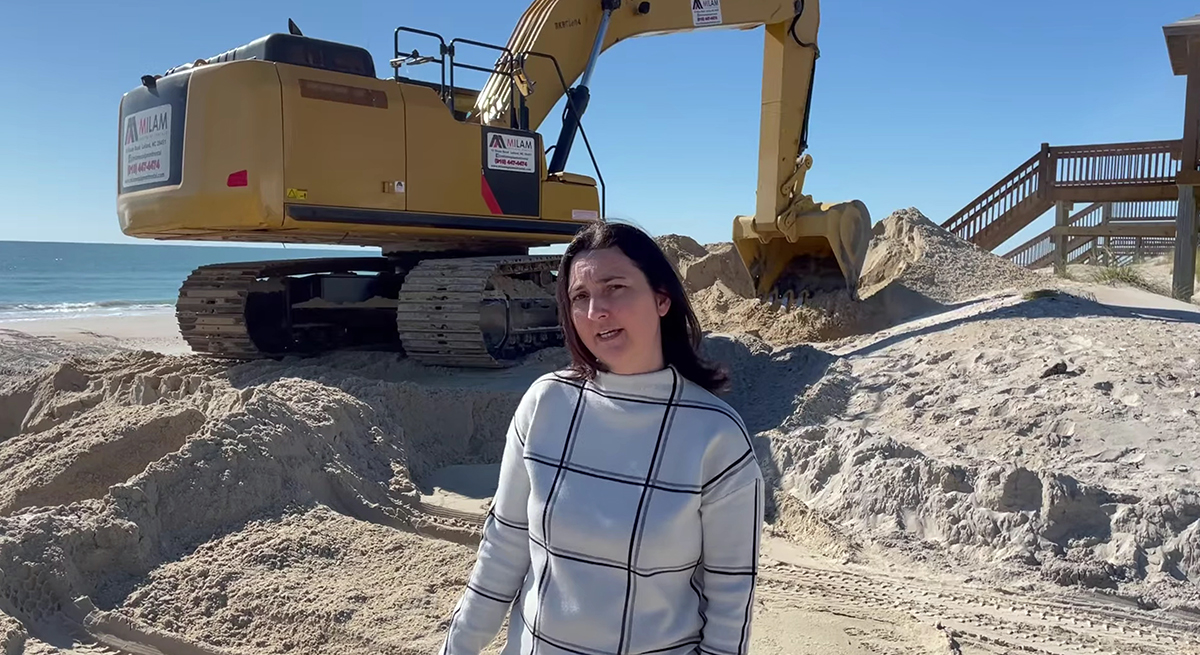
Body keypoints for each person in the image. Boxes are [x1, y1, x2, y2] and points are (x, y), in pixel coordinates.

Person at [438, 220, 764, 655]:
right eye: (580, 296)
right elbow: (503, 550)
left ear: (662, 298)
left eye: (615, 288)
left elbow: (730, 604)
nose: (596, 311)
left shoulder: (716, 436)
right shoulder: (545, 404)